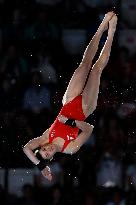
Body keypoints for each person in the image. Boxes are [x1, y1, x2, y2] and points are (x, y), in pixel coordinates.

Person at [23, 12, 118, 181]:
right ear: (52, 157)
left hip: (68, 101)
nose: (47, 150)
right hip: (84, 109)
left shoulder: (45, 137)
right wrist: (71, 122)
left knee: (85, 63)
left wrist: (41, 166)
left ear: (44, 145)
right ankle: (111, 33)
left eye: (44, 150)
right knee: (96, 70)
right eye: (47, 154)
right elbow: (89, 129)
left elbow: (26, 148)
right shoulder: (70, 148)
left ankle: (101, 27)